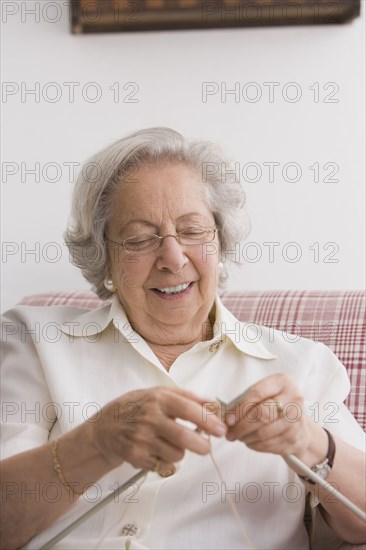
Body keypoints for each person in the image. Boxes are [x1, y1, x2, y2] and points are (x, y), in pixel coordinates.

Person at [1, 127, 365, 550]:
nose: (173, 259)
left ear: (220, 241)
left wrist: (309, 442)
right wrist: (96, 442)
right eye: (139, 239)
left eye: (193, 231)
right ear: (105, 257)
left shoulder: (302, 364)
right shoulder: (36, 339)